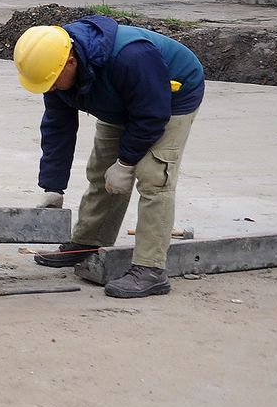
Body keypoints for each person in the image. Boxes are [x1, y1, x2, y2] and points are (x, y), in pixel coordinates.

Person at [13, 15, 205, 298]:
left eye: (53, 83)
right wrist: (53, 186)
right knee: (102, 169)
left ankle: (150, 270)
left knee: (154, 176)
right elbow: (58, 128)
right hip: (119, 97)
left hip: (170, 96)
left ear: (71, 61)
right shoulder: (53, 68)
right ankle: (88, 243)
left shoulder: (132, 56)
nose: (50, 89)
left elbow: (152, 115)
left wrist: (127, 162)